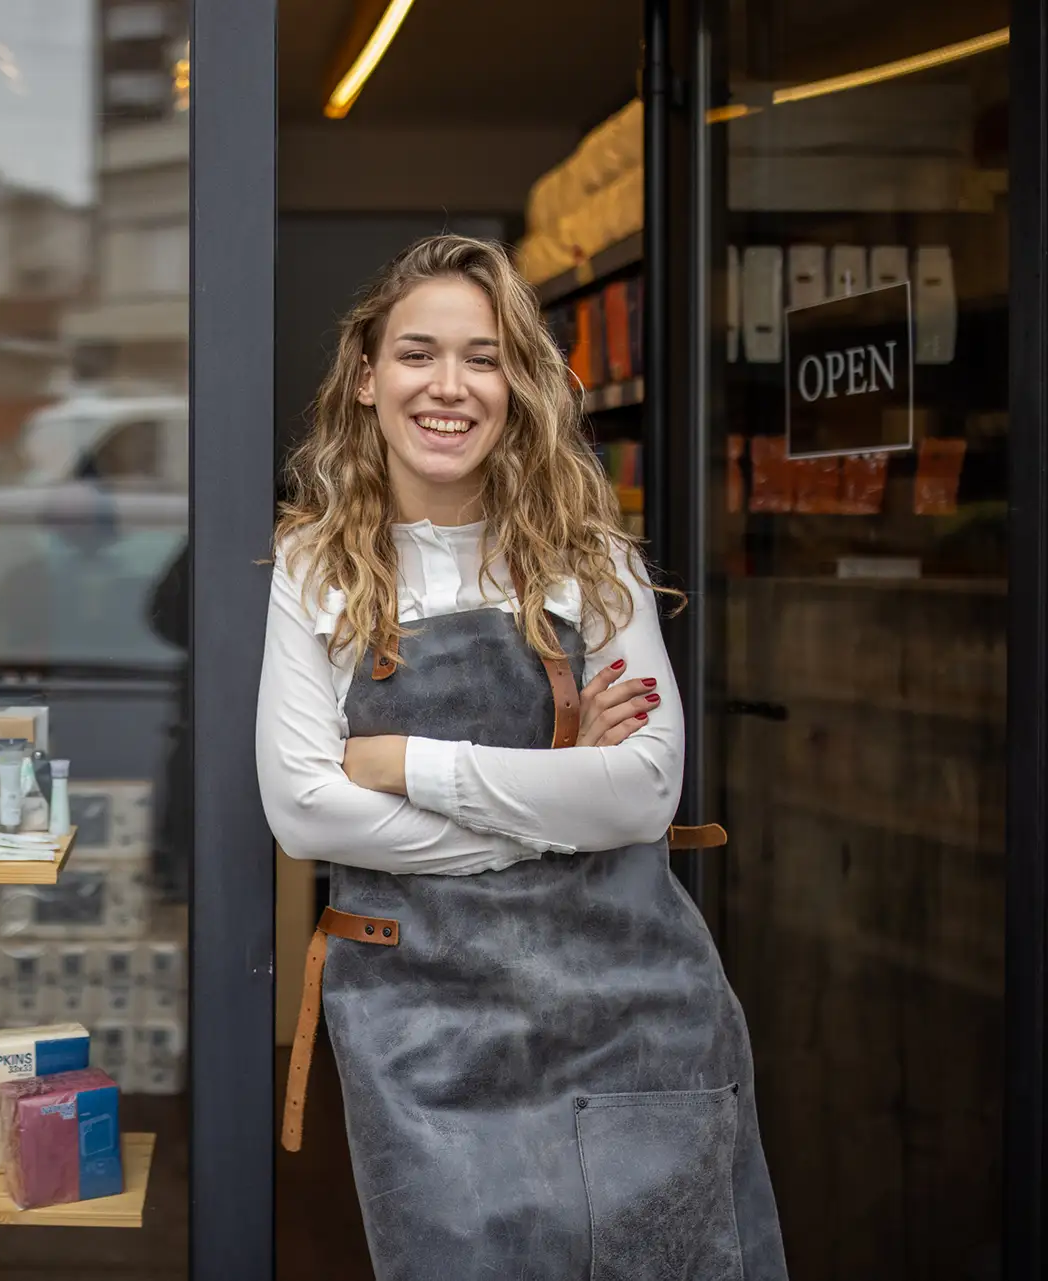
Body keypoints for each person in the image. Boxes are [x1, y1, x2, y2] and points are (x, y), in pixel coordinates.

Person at [257, 235, 786, 1279]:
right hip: (427, 1037)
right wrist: (552, 806)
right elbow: (306, 814)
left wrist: (398, 759)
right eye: (417, 353)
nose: (448, 386)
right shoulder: (312, 569)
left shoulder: (593, 558)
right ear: (366, 378)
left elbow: (640, 793)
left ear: (519, 384)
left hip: (635, 1016)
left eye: (485, 357)